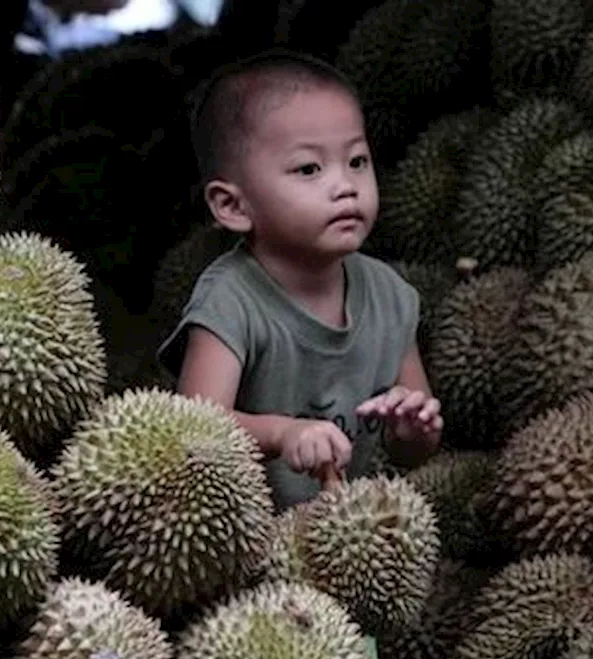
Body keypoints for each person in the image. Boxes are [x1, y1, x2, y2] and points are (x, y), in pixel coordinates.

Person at [157, 48, 443, 512]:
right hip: (244, 539)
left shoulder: (391, 296)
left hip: (348, 533)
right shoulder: (230, 300)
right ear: (233, 206)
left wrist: (413, 431)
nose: (345, 185)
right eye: (309, 169)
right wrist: (282, 434)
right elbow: (192, 428)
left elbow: (411, 449)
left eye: (357, 161)